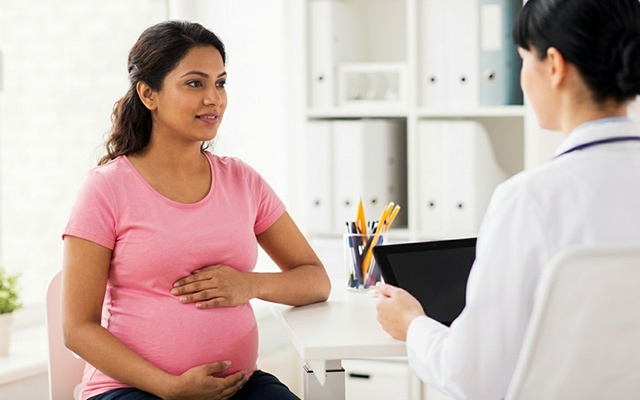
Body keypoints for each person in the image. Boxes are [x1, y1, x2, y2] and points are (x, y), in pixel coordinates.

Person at [375, 0, 640, 398]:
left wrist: (412, 324)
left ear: (553, 65)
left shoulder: (529, 201)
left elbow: (473, 377)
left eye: (520, 61)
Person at [62, 20, 331, 400]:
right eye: (195, 83)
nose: (214, 99)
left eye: (220, 83)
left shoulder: (242, 180)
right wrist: (169, 388)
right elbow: (77, 328)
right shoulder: (106, 188)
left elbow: (316, 280)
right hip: (133, 389)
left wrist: (249, 284)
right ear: (148, 94)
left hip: (238, 387)